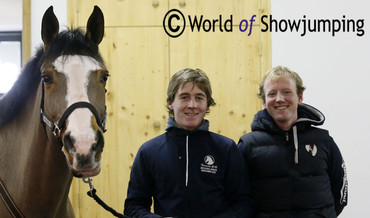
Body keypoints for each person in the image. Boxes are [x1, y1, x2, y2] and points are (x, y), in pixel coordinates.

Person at [124, 68, 255, 217]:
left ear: (207, 105)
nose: (192, 105)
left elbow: (244, 204)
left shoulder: (226, 148)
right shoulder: (149, 151)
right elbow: (133, 206)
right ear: (170, 103)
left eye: (199, 98)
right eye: (184, 97)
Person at [238, 65, 348, 218]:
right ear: (264, 101)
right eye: (272, 94)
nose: (279, 99)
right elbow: (238, 197)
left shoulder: (324, 141)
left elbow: (341, 191)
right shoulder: (248, 145)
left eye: (286, 92)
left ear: (300, 97)